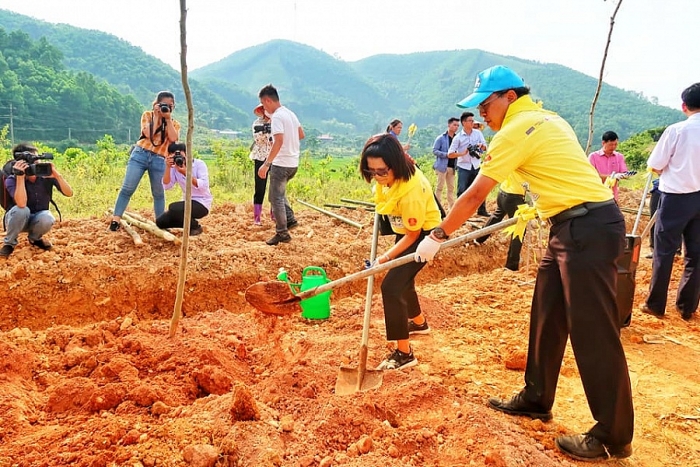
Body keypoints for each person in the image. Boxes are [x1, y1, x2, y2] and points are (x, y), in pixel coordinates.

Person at [414, 65, 633, 462]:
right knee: (547, 312)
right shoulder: (548, 117)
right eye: (477, 106)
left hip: (587, 228)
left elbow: (476, 193)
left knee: (593, 329)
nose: (481, 112)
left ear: (509, 97)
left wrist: (438, 236)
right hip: (569, 226)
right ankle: (536, 396)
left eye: (486, 103)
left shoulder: (517, 128)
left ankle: (613, 435)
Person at [360, 133, 441, 370]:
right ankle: (419, 323)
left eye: (382, 171)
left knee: (391, 286)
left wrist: (383, 259)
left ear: (395, 165)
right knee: (403, 281)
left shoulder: (411, 191)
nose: (377, 176)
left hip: (424, 236)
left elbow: (413, 236)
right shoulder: (391, 177)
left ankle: (404, 353)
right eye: (372, 171)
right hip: (407, 229)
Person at [641, 82, 700, 322]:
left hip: (675, 197)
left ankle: (656, 304)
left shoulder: (677, 130)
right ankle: (687, 307)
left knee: (664, 251)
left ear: (684, 106)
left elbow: (655, 164)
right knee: (696, 254)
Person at [110, 91, 180, 231]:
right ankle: (115, 220)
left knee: (158, 193)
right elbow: (148, 134)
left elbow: (173, 139)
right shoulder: (147, 115)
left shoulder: (175, 123)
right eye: (164, 105)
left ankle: (161, 223)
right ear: (156, 104)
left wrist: (167, 119)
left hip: (160, 159)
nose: (167, 108)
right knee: (127, 188)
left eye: (170, 106)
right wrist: (157, 118)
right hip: (140, 155)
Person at [1, 143, 73, 258]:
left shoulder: (45, 176)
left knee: (48, 217)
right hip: (16, 219)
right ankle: (9, 243)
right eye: (33, 160)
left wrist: (57, 175)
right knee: (22, 210)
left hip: (37, 219)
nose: (36, 163)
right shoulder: (12, 179)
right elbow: (21, 203)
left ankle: (35, 238)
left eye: (37, 159)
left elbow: (69, 193)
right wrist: (20, 178)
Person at [257, 84, 305, 246]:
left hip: (281, 163)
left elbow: (278, 141)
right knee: (277, 194)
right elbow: (301, 134)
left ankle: (282, 232)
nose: (264, 108)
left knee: (276, 198)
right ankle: (290, 219)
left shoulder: (277, 116)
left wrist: (266, 164)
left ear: (267, 100)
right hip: (293, 163)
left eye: (263, 105)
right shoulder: (290, 114)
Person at [154, 143, 212, 236]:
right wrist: (168, 168)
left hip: (202, 202)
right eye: (174, 156)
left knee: (174, 208)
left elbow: (203, 186)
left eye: (180, 156)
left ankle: (195, 226)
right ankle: (188, 224)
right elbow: (167, 186)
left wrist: (185, 173)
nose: (178, 159)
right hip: (186, 201)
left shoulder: (199, 164)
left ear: (187, 154)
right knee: (160, 222)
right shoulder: (174, 167)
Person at [475, 175, 527, 271]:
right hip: (515, 196)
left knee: (497, 215)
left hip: (503, 192)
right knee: (519, 230)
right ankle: (512, 265)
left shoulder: (513, 160)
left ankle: (479, 238)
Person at [448, 111, 489, 216]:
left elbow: (485, 146)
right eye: (470, 121)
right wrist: (463, 153)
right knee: (462, 190)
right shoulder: (458, 138)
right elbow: (450, 154)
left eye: (472, 120)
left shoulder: (478, 133)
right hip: (464, 167)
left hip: (476, 165)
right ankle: (459, 212)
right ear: (464, 122)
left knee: (480, 189)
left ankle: (482, 210)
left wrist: (481, 146)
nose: (472, 123)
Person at [249, 104, 273, 225]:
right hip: (261, 158)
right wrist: (267, 129)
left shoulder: (277, 122)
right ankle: (257, 217)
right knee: (260, 188)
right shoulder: (257, 123)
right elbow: (259, 139)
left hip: (275, 157)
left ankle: (274, 214)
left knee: (275, 188)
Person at [588, 131, 629, 201]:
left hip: (612, 194)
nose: (613, 147)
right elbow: (591, 176)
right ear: (603, 143)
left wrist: (625, 175)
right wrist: (611, 177)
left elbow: (625, 172)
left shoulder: (619, 157)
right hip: (596, 194)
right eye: (611, 145)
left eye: (615, 144)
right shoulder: (593, 157)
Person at [432, 117, 460, 211]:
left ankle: (451, 208)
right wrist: (447, 155)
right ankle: (437, 207)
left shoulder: (457, 138)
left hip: (452, 167)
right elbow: (435, 150)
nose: (456, 127)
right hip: (442, 166)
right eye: (454, 125)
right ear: (449, 125)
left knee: (451, 188)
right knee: (439, 187)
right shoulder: (441, 138)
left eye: (457, 125)